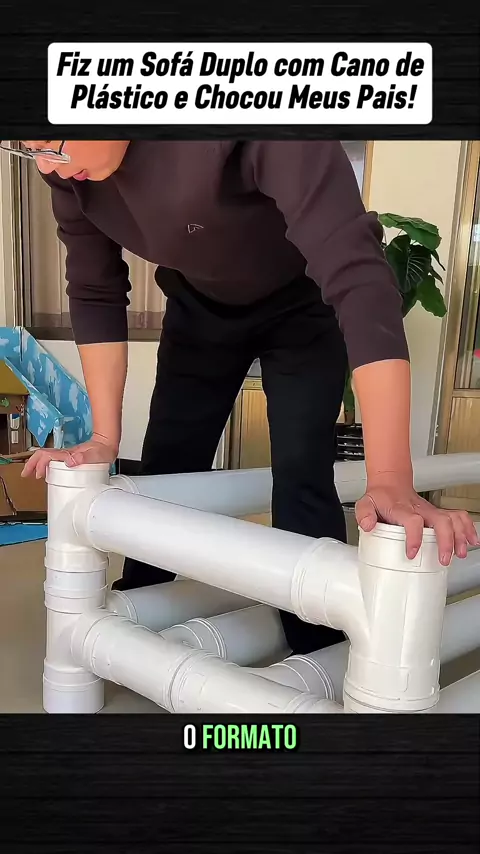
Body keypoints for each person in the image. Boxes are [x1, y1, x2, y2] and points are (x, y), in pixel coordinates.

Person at [3, 139, 477, 656]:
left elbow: (359, 277)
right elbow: (95, 288)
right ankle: (139, 617)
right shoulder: (67, 172)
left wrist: (390, 479)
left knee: (302, 469)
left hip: (304, 307)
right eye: (28, 149)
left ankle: (317, 646)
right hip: (199, 309)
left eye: (53, 144)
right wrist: (102, 437)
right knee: (166, 466)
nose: (47, 165)